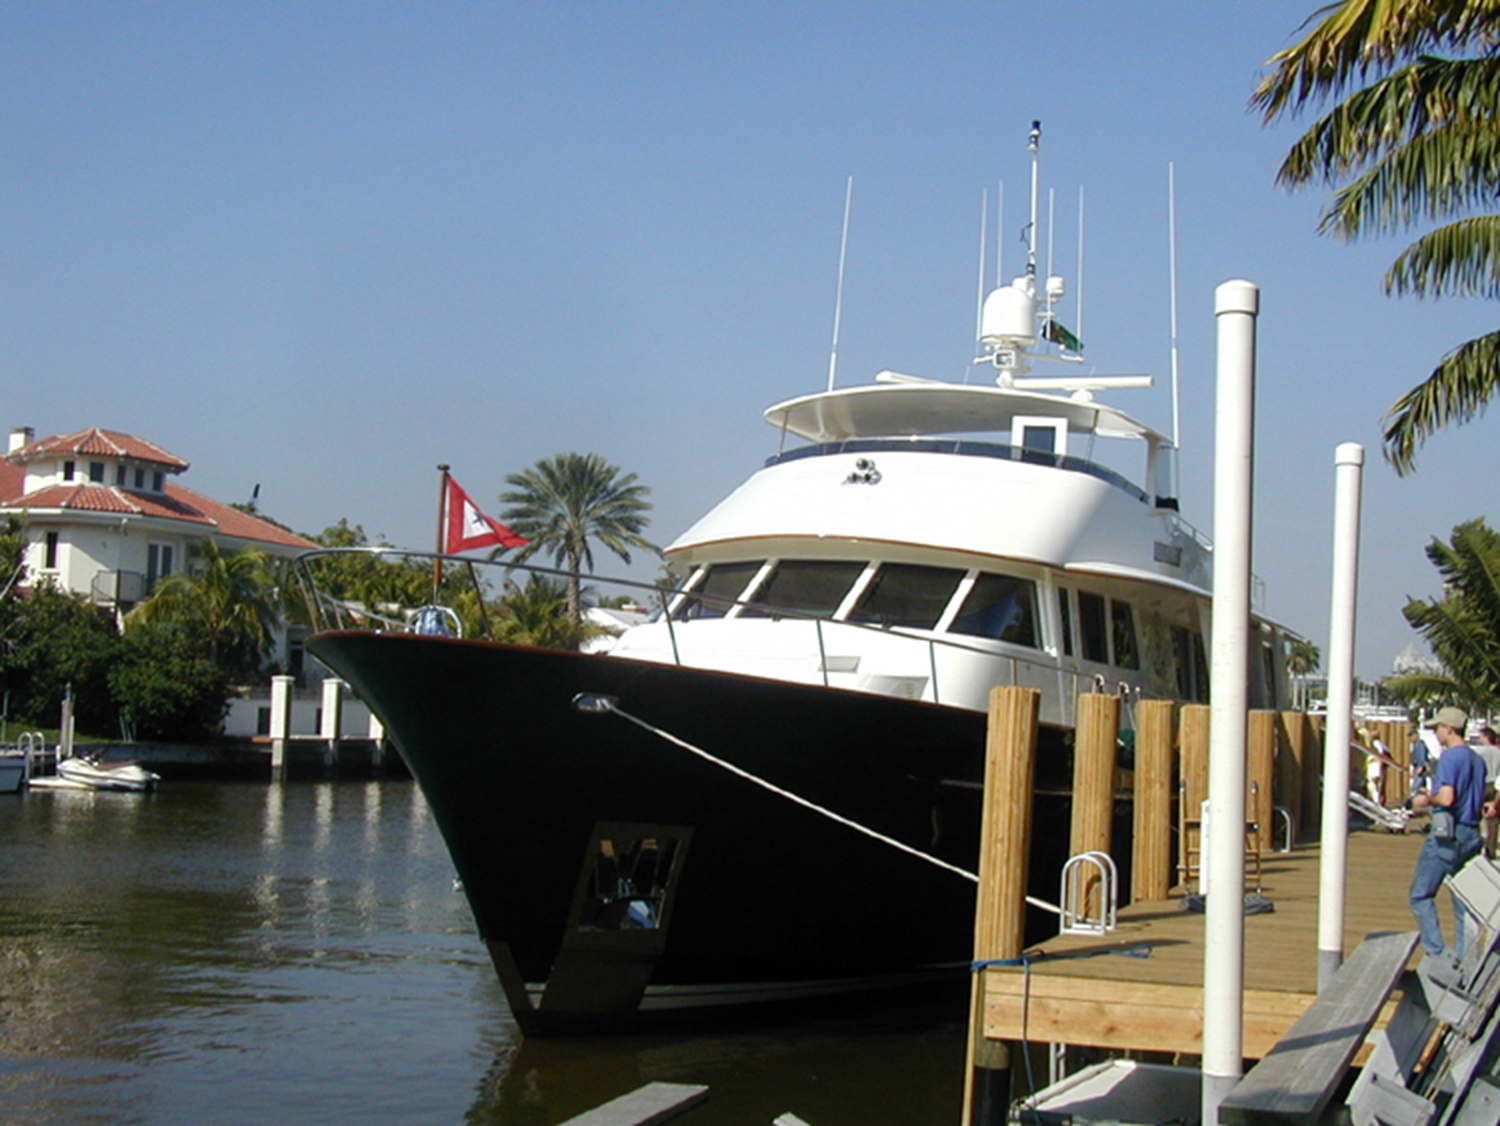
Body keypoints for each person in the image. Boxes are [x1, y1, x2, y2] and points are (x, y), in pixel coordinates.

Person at [1409, 706, 1487, 962]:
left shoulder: (1451, 758)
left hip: (1448, 834)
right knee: (1462, 903)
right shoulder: (1477, 760)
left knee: (1421, 895)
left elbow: (1447, 797)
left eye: (1438, 728)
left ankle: (1437, 953)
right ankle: (1466, 959)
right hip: (1472, 834)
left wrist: (1424, 800)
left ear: (1449, 729)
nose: (1436, 733)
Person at [1476, 727, 1500, 857]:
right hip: (1495, 785)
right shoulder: (1498, 752)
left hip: (1482, 783)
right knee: (1493, 818)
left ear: (1486, 737)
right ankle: (1491, 847)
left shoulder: (1480, 752)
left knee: (1476, 814)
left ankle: (1477, 844)